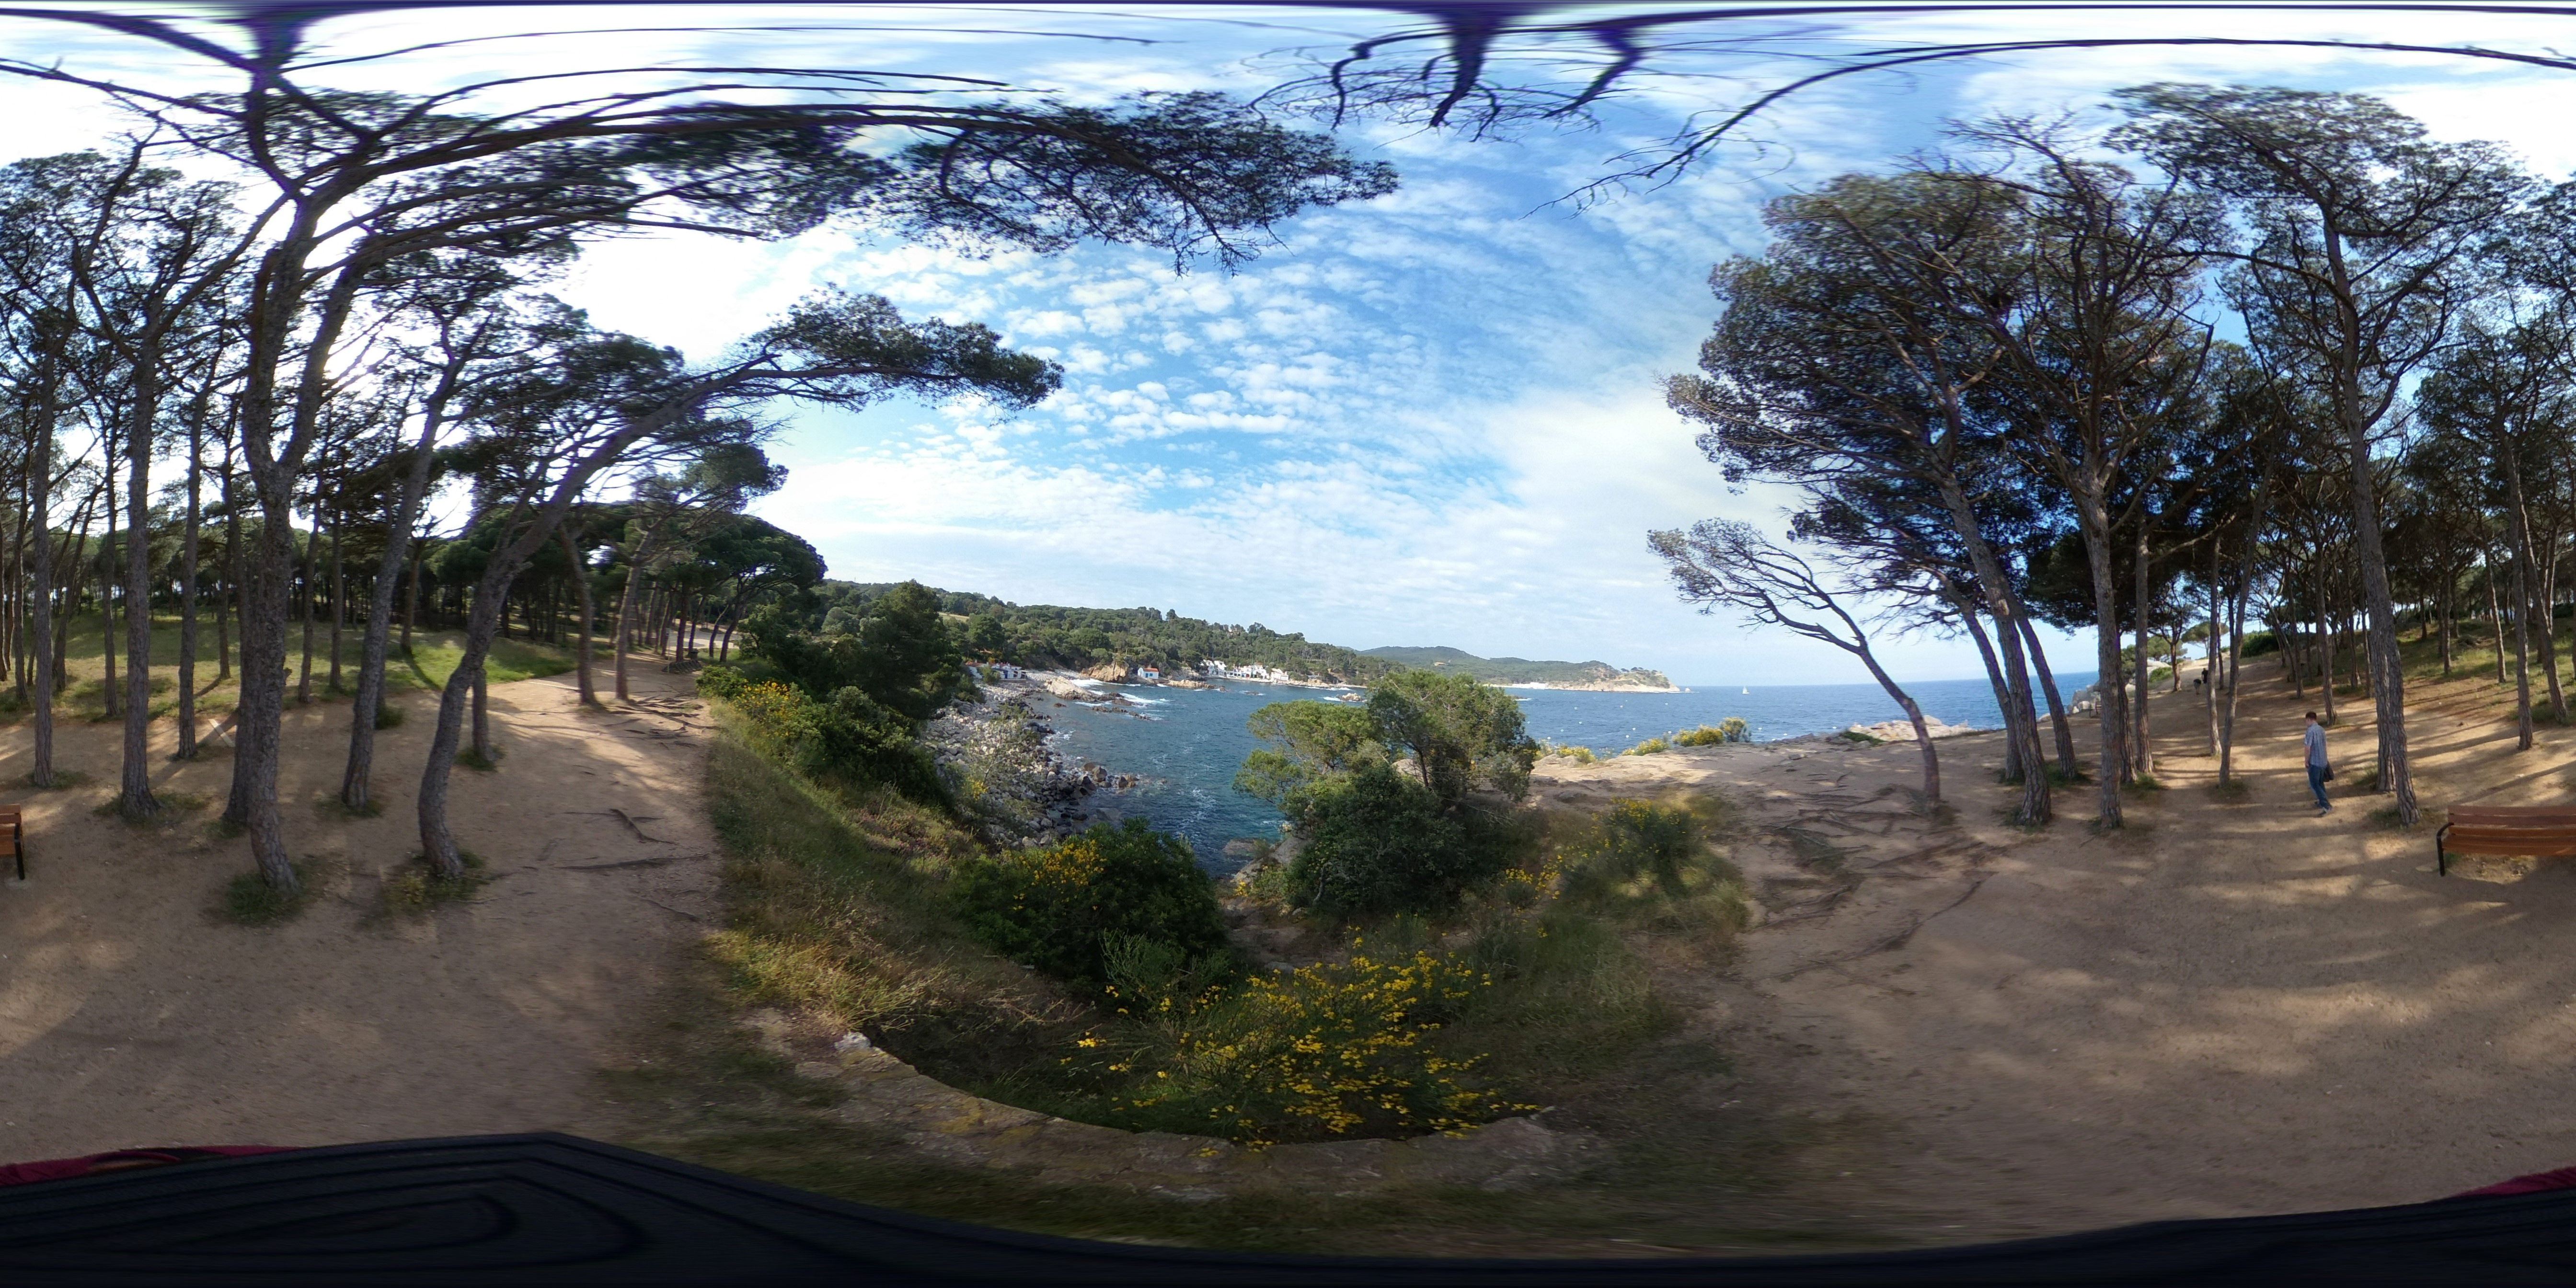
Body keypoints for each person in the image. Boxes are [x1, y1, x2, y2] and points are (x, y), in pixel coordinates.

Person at [2304, 711, 2332, 815]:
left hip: (2315, 762)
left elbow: (2308, 748)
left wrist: (2307, 761)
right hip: (2323, 761)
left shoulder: (2310, 731)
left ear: (2309, 720)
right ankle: (2322, 801)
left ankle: (2326, 806)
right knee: (2320, 783)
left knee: (2315, 785)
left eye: (2306, 721)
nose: (2306, 723)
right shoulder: (2321, 730)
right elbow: (2324, 745)